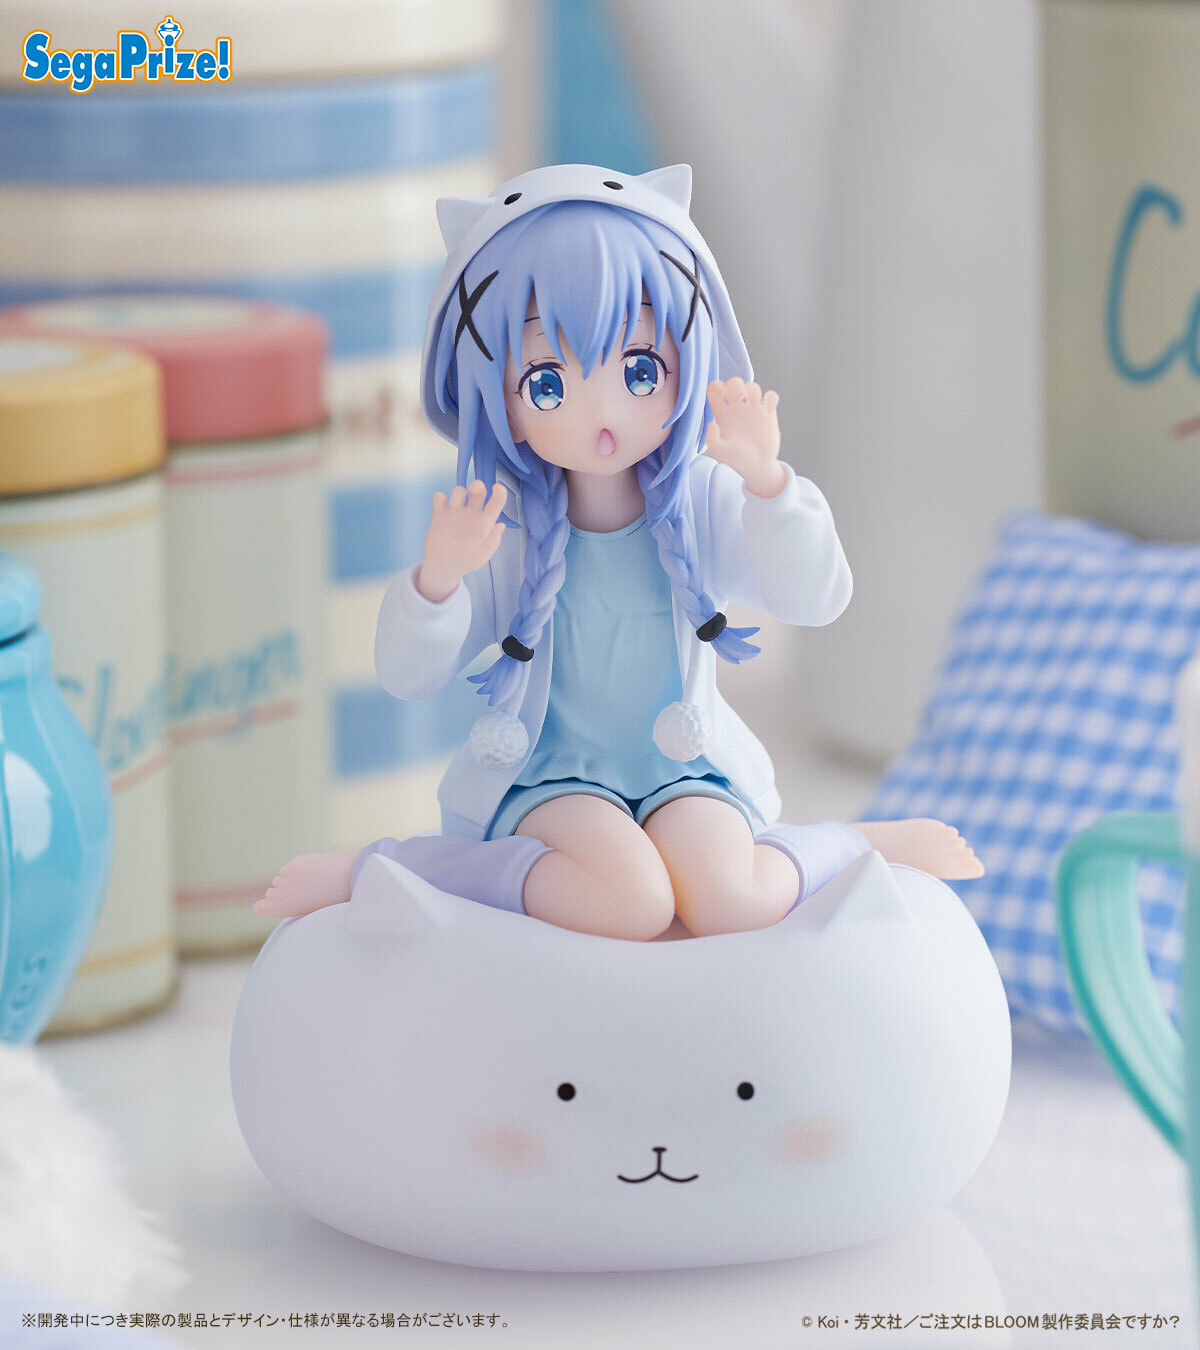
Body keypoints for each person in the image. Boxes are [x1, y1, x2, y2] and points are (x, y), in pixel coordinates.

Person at [258, 164, 981, 940]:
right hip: (551, 778)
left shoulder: (702, 499)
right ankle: (396, 865)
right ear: (493, 396)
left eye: (640, 371)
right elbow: (408, 674)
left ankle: (852, 844)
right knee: (630, 902)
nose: (601, 413)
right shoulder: (506, 527)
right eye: (547, 384)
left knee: (733, 899)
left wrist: (769, 484)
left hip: (685, 765)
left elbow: (817, 597)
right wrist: (436, 582)